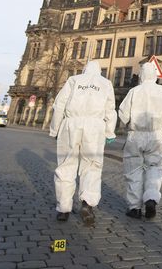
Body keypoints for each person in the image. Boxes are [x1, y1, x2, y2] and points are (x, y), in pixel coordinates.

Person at [49, 60, 117, 224]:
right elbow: (110, 109)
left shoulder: (74, 80)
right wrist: (109, 131)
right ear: (99, 71)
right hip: (95, 126)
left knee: (66, 165)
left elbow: (59, 105)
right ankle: (87, 203)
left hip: (71, 123)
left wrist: (55, 129)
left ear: (85, 69)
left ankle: (64, 208)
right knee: (92, 166)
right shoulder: (105, 83)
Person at [118, 61, 162, 220]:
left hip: (136, 135)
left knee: (133, 170)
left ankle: (134, 208)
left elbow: (123, 114)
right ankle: (151, 198)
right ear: (155, 75)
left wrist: (126, 122)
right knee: (155, 168)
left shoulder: (134, 91)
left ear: (142, 75)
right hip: (156, 135)